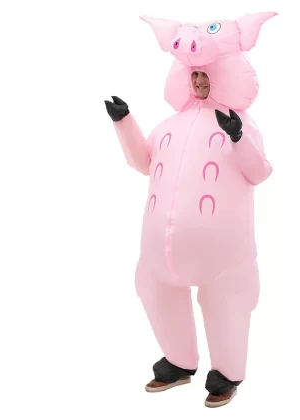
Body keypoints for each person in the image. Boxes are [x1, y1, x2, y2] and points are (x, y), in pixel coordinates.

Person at [104, 12, 277, 408]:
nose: (199, 82)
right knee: (155, 288)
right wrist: (124, 122)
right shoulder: (168, 125)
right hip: (158, 250)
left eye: (206, 76)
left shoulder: (239, 123)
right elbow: (143, 161)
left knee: (226, 301)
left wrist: (237, 138)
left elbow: (258, 171)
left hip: (223, 254)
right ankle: (179, 361)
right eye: (194, 75)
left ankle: (227, 372)